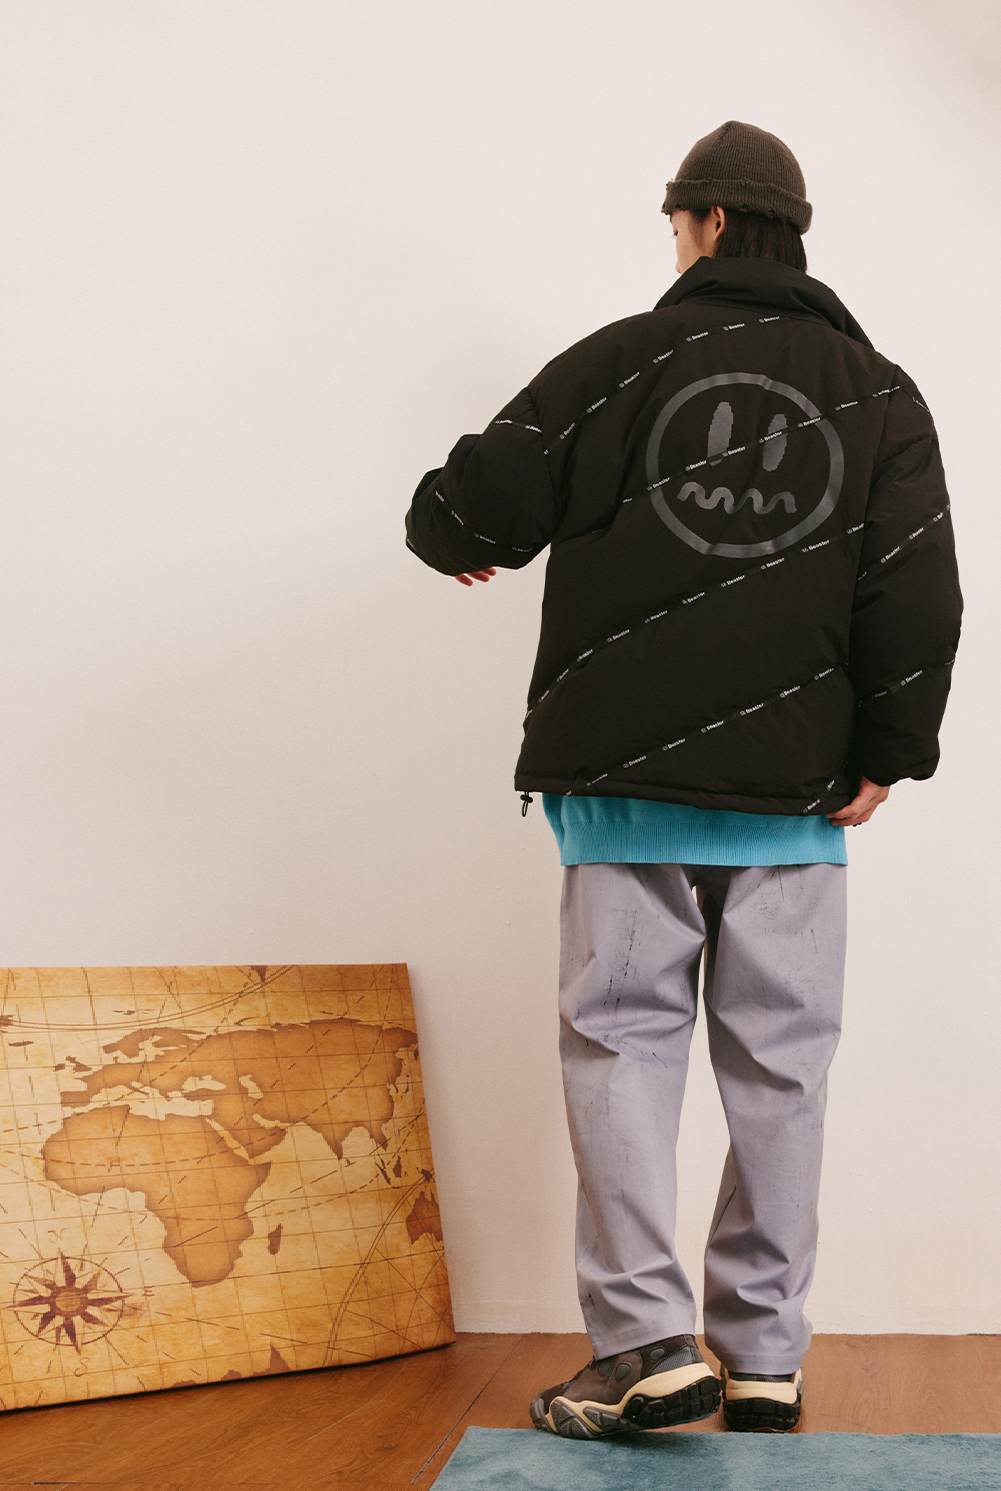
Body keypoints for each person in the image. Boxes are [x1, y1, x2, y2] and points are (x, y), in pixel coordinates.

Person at [405, 120, 962, 1439]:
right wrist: (888, 754)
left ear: (702, 225)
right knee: (783, 1070)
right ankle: (764, 1357)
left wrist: (449, 534)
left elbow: (483, 500)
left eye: (676, 227)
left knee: (622, 1048)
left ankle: (647, 1346)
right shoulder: (879, 393)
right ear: (792, 234)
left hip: (625, 789)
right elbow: (917, 591)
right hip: (795, 802)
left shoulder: (614, 364)